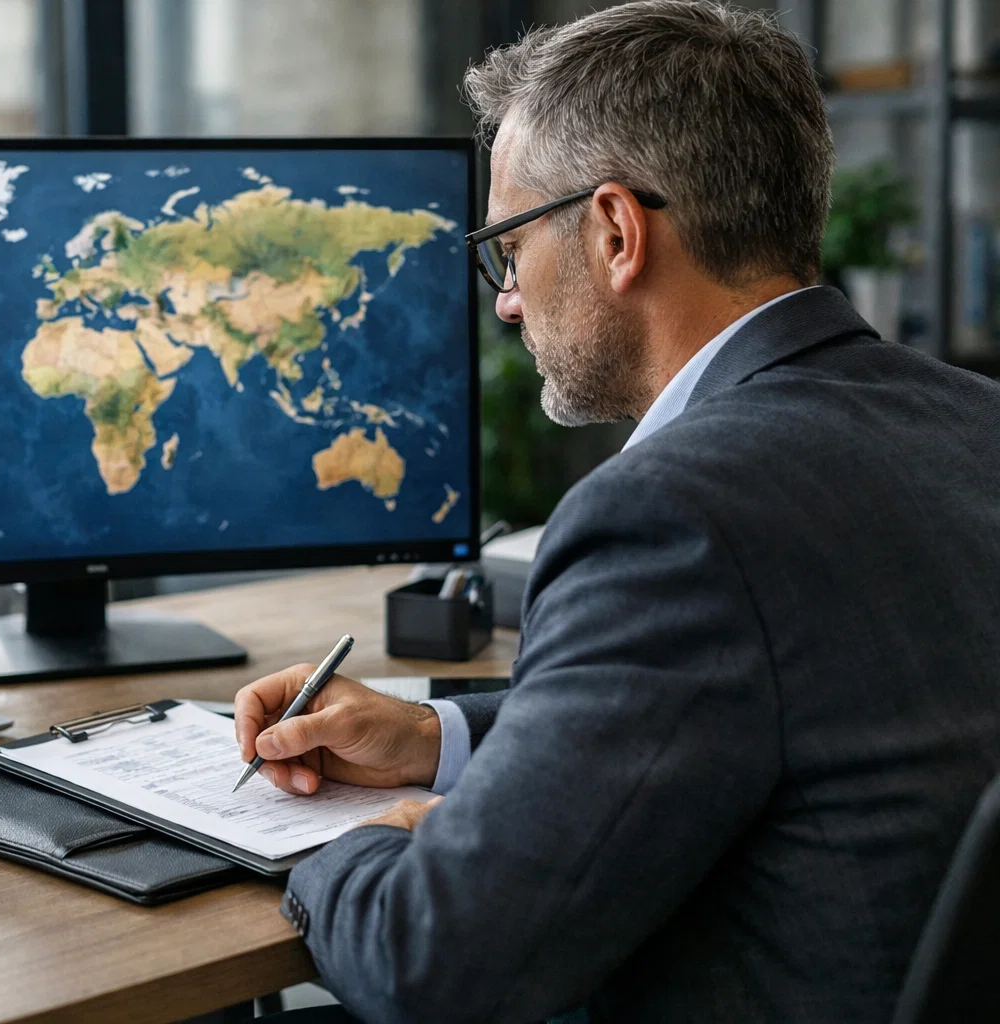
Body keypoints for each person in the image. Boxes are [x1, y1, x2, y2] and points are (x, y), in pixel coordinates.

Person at [233, 2, 1000, 1021]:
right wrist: (440, 736)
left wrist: (340, 843)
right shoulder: (973, 421)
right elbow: (775, 698)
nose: (506, 299)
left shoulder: (673, 514)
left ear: (613, 232)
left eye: (508, 244)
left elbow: (437, 964)